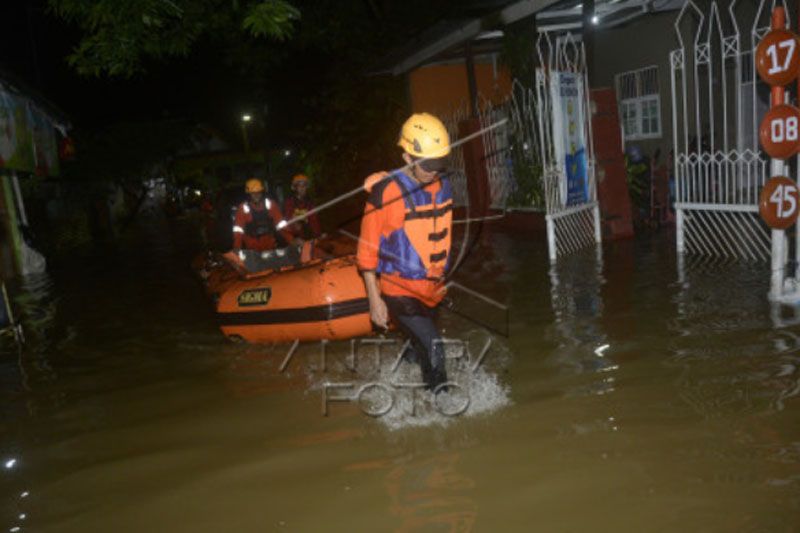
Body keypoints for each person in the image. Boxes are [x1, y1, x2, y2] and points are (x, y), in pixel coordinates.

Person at [356, 112, 453, 393]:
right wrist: (375, 300)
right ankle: (442, 412)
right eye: (428, 165)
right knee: (434, 349)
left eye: (439, 164)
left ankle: (396, 383)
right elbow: (366, 252)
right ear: (408, 158)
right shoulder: (385, 193)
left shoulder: (442, 183)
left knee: (418, 347)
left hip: (431, 289)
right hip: (399, 289)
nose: (434, 171)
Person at [232, 178, 295, 253]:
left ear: (262, 192)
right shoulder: (242, 208)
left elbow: (281, 225)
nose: (256, 195)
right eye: (253, 193)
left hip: (270, 247)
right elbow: (238, 230)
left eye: (258, 192)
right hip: (252, 250)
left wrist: (291, 240)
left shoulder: (271, 205)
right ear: (249, 194)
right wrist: (236, 247)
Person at [283, 173, 321, 239]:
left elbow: (314, 221)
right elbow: (288, 220)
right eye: (299, 186)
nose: (302, 188)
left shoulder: (310, 203)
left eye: (304, 186)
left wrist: (318, 235)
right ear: (295, 188)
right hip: (294, 238)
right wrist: (293, 238)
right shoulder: (289, 202)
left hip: (308, 236)